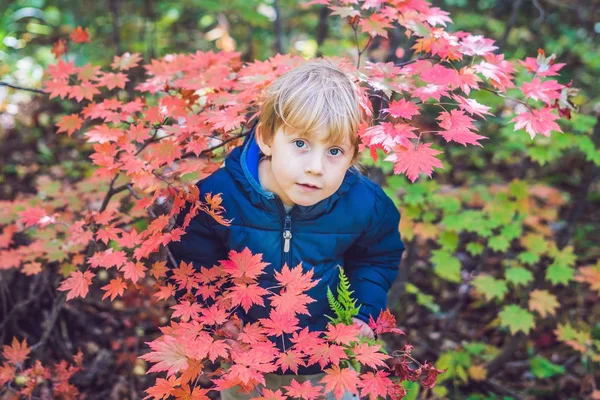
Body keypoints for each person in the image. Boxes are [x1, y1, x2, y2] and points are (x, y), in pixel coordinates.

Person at [168, 58, 405, 399]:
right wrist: (217, 322)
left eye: (334, 151)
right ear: (266, 138)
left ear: (353, 156)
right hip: (247, 358)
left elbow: (377, 258)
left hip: (327, 359)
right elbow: (193, 263)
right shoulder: (220, 197)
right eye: (300, 144)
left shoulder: (365, 204)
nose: (315, 168)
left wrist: (364, 312)